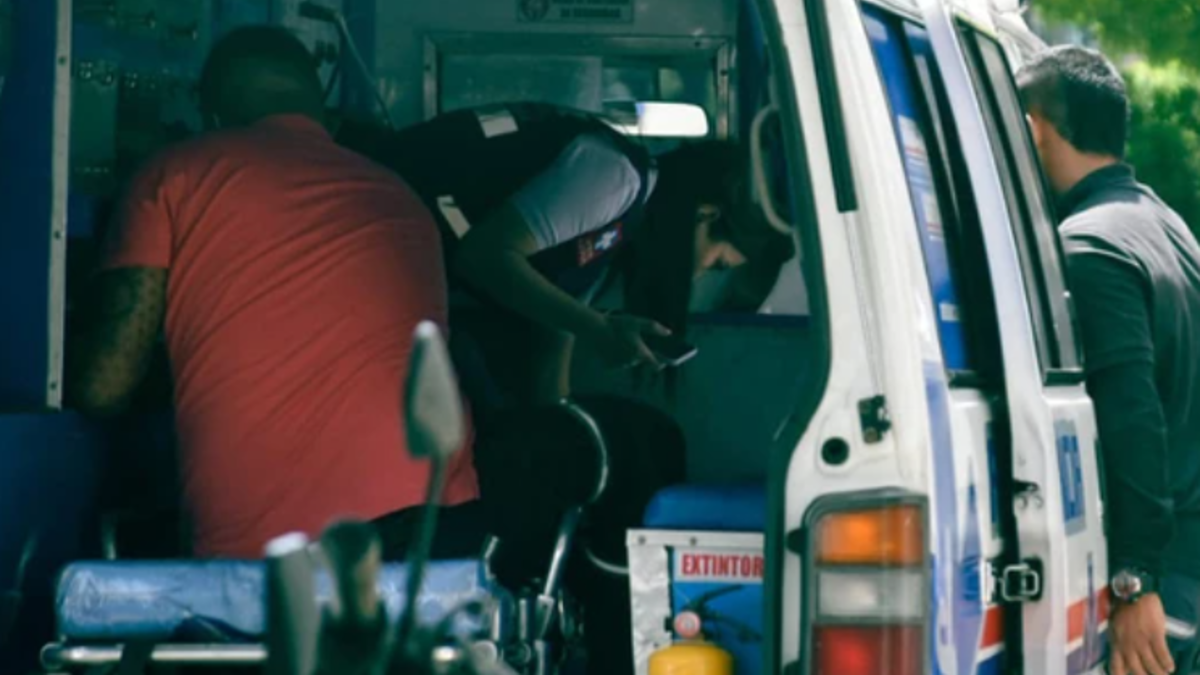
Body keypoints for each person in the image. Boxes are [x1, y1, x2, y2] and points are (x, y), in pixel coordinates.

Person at [65, 25, 482, 560]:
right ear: (319, 107)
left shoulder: (175, 174)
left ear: (211, 114)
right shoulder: (398, 194)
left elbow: (103, 385)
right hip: (434, 524)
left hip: (272, 545)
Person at [336, 103, 779, 409]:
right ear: (705, 214)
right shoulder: (614, 177)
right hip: (357, 235)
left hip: (383, 271)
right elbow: (485, 257)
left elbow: (555, 335)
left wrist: (559, 419)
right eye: (717, 262)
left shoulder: (620, 229)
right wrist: (596, 329)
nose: (699, 274)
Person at [1018, 46, 1200, 675]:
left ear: (1033, 130)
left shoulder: (1089, 248)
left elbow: (1132, 416)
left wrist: (1135, 579)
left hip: (1159, 593)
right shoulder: (1165, 226)